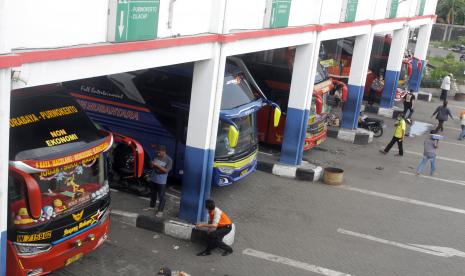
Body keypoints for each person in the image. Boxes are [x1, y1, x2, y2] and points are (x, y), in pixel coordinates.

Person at [145, 145, 172, 218]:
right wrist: (151, 164)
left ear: (164, 151)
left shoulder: (169, 160)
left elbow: (166, 171)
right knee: (153, 194)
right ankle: (152, 207)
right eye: (157, 152)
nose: (158, 153)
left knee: (161, 197)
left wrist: (157, 165)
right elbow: (152, 167)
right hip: (153, 179)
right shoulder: (156, 156)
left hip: (161, 182)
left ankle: (160, 211)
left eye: (159, 152)